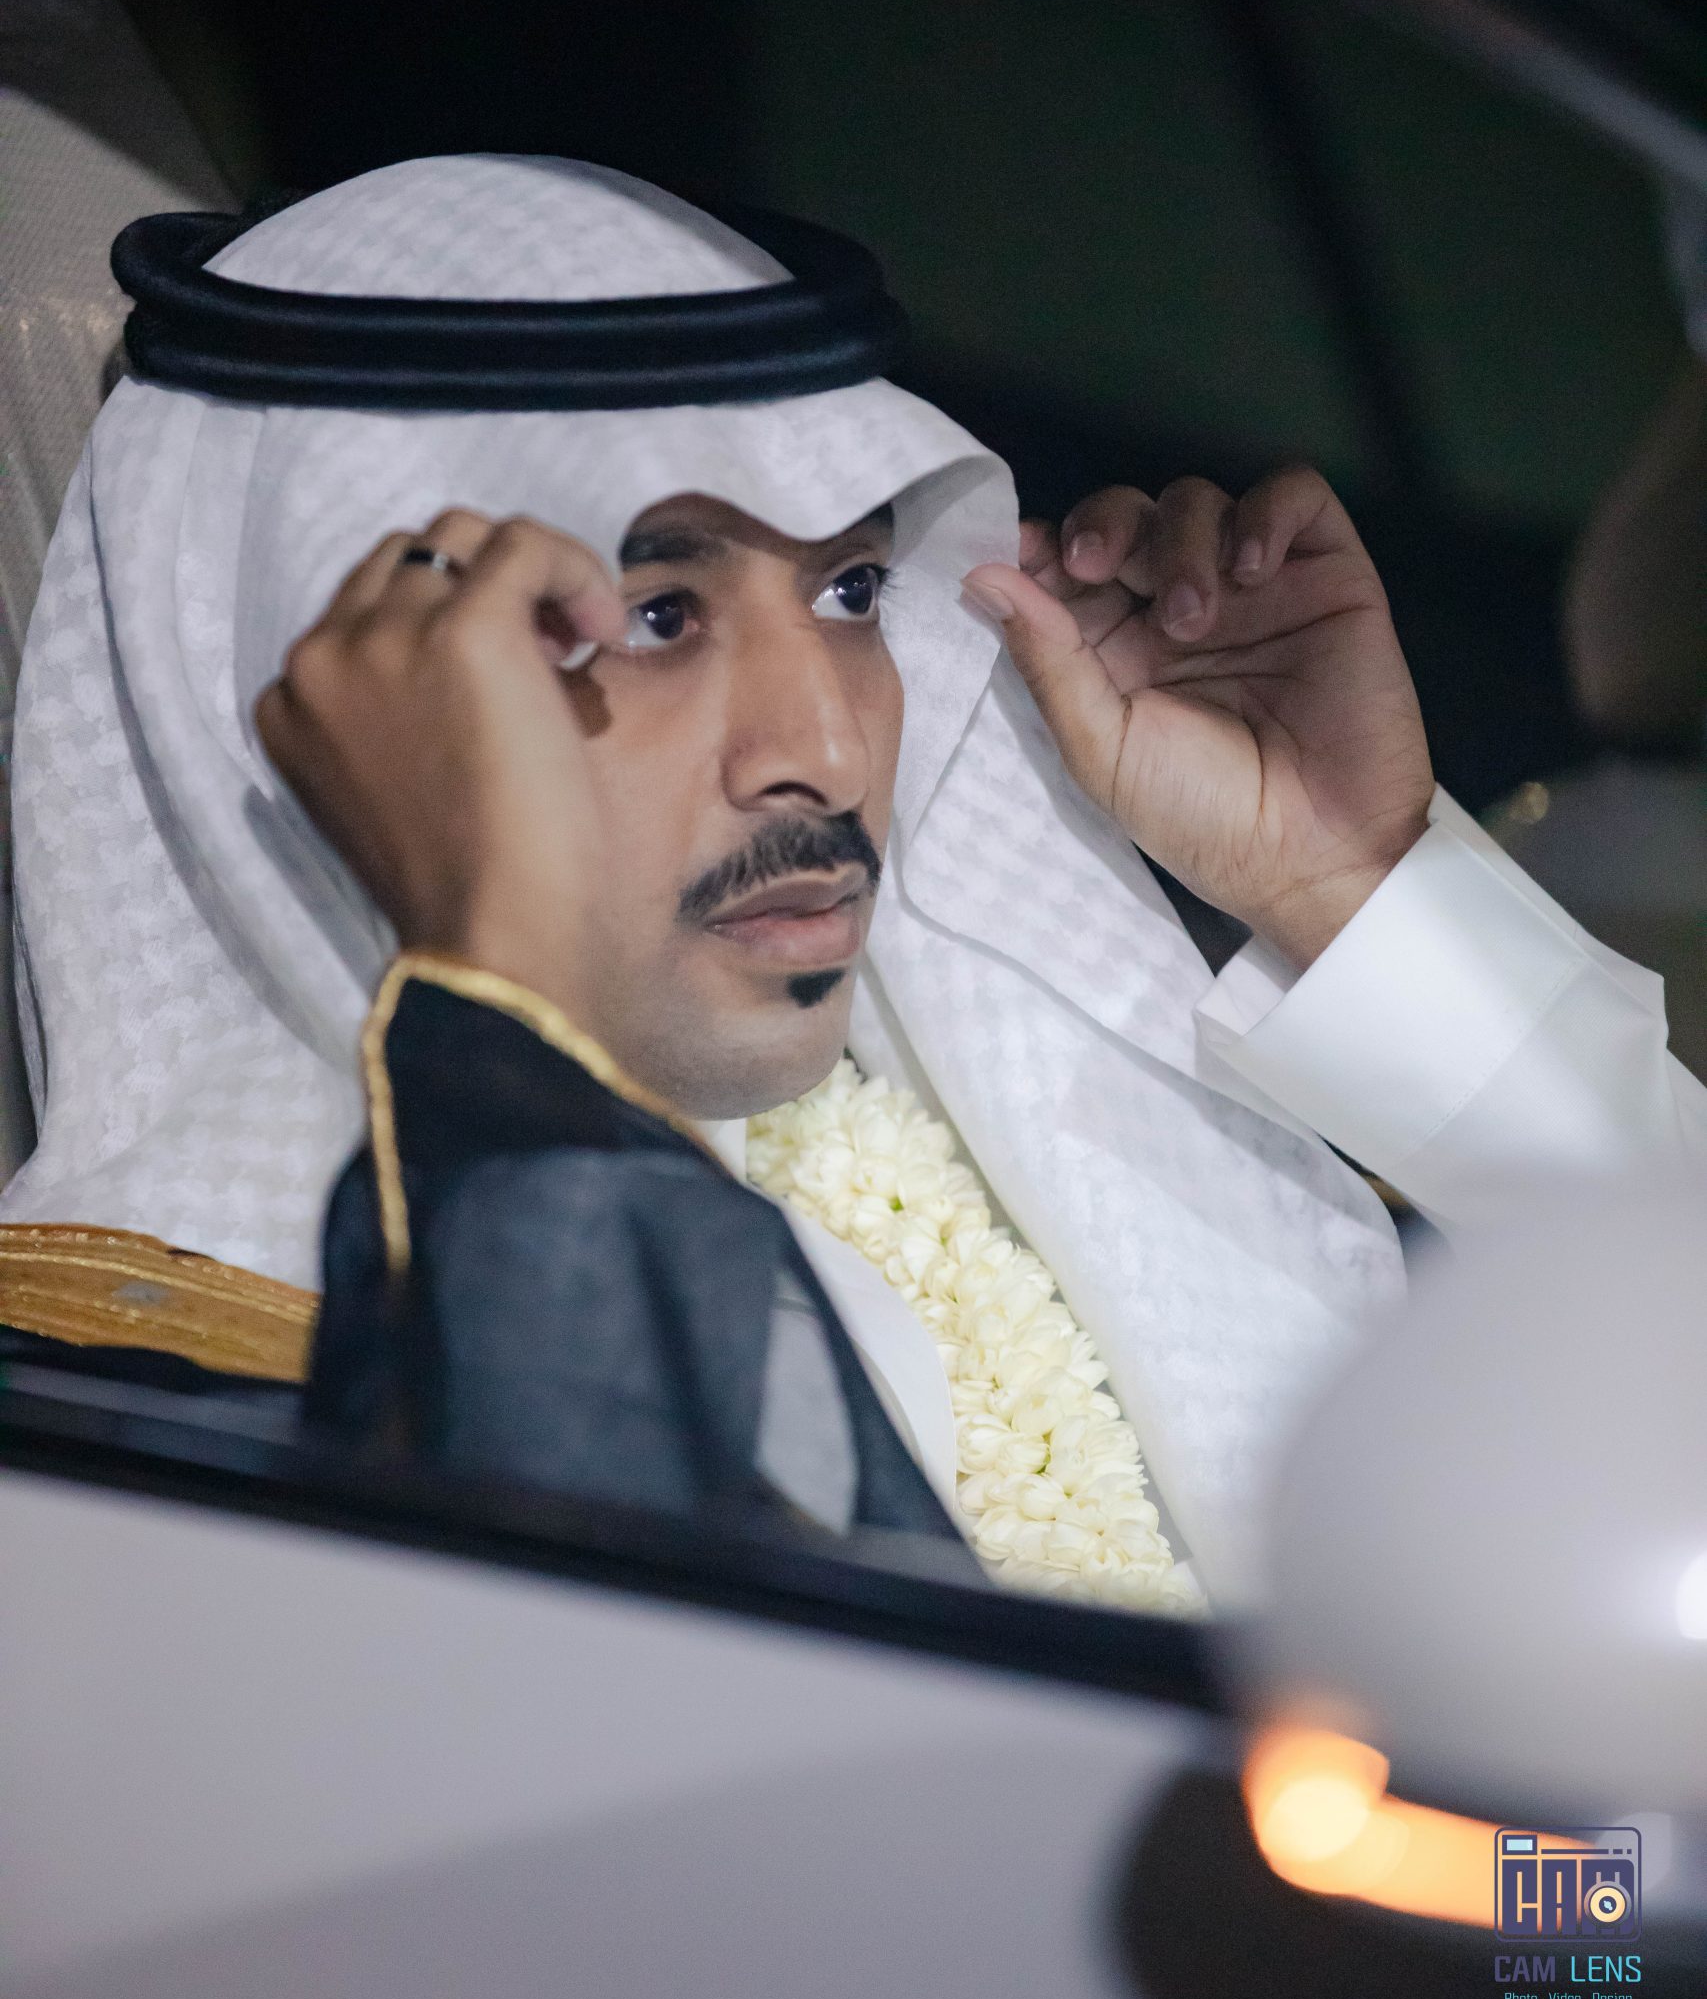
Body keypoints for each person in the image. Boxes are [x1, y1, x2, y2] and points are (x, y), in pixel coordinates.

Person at [3, 158, 1702, 1612]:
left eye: (854, 594)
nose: (821, 746)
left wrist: (1344, 886)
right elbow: (615, 1729)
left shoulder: (1010, 1145)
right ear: (336, 698)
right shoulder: (123, 1442)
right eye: (655, 616)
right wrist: (502, 1004)